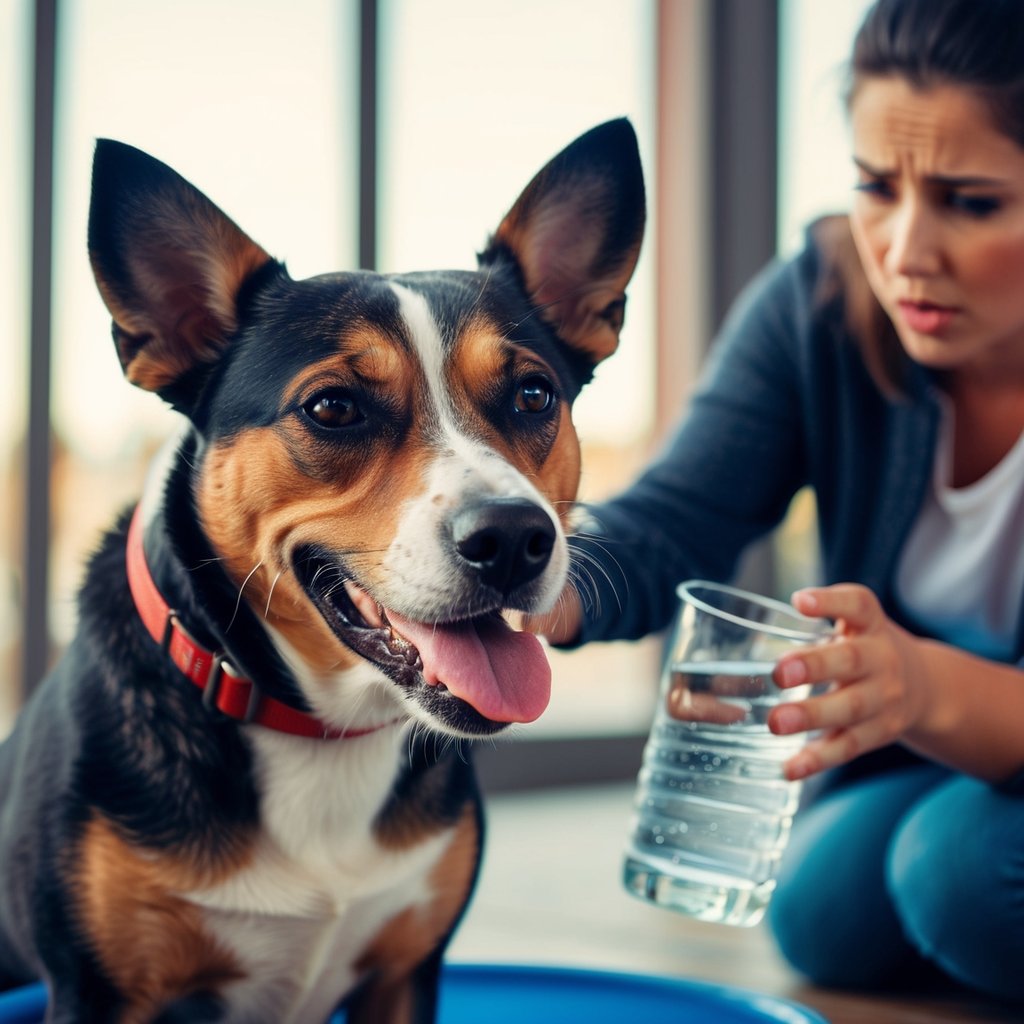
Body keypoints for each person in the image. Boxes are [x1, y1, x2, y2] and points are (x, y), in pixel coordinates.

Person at [533, 0, 1024, 1004]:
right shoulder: (820, 299)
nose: (903, 249)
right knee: (820, 911)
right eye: (875, 187)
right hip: (946, 765)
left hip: (957, 759)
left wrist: (917, 687)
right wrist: (540, 580)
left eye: (970, 202)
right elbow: (675, 515)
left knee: (957, 876)